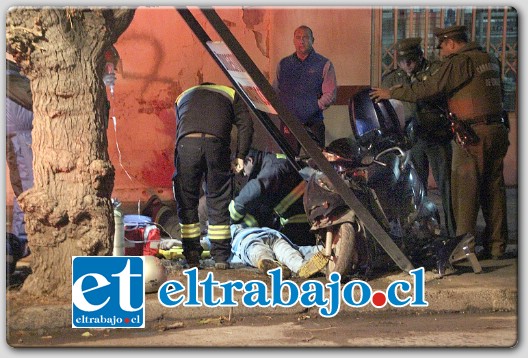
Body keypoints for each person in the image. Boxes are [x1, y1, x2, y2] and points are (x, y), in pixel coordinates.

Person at [370, 25, 510, 260]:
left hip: (472, 135)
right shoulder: (490, 60)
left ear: (452, 43)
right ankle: (497, 246)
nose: (442, 52)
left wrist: (392, 93)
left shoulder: (460, 62)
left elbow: (431, 88)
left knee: (463, 191)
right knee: (494, 190)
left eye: (443, 46)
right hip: (496, 130)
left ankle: (463, 250)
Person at [173, 83, 254, 269]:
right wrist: (241, 155)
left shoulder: (182, 97)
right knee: (218, 198)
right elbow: (246, 125)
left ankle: (192, 256)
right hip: (216, 145)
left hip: (187, 145)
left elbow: (180, 128)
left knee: (187, 200)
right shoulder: (232, 94)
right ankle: (220, 258)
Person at [382, 37, 456, 237]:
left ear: (420, 56)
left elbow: (434, 94)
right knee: (415, 187)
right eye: (403, 61)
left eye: (411, 60)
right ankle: (422, 229)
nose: (407, 65)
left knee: (445, 185)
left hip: (436, 134)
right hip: (412, 139)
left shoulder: (435, 72)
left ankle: (451, 230)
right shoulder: (392, 79)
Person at [229, 148, 315, 247]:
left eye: (243, 170)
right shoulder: (271, 162)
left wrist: (231, 216)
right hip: (299, 218)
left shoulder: (273, 167)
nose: (244, 175)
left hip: (302, 221)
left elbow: (253, 191)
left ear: (249, 160)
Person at [273, 25, 337, 153]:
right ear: (293, 40)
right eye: (298, 37)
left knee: (316, 165)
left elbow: (330, 94)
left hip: (314, 123)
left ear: (313, 40)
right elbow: (275, 91)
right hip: (289, 123)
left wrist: (314, 106)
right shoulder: (283, 64)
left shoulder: (324, 64)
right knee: (288, 163)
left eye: (306, 37)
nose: (301, 41)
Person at [6, 59, 34, 264]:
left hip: (23, 134)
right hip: (19, 135)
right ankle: (21, 240)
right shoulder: (10, 75)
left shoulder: (14, 71)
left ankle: (22, 239)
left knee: (26, 185)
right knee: (26, 187)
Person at [229, 224, 327, 279]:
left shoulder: (232, 232)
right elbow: (299, 249)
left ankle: (266, 261)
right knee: (289, 253)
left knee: (257, 251)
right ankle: (300, 266)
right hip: (273, 236)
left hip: (246, 240)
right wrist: (318, 249)